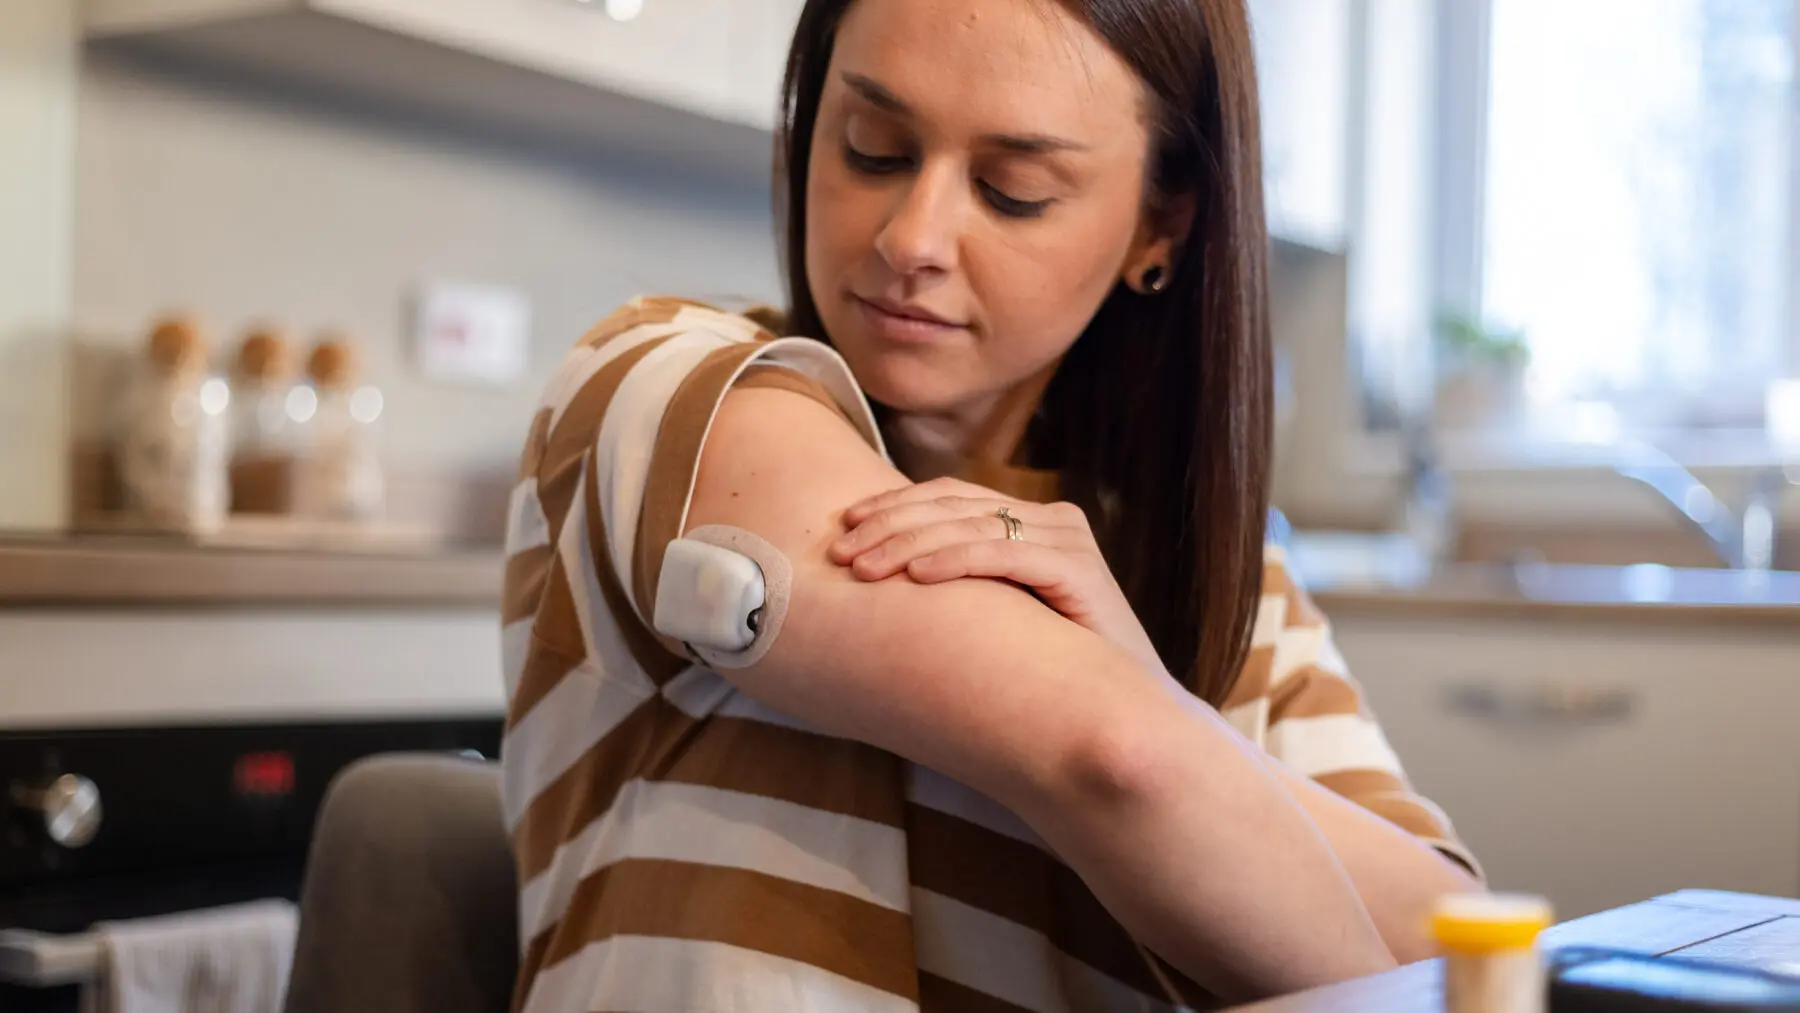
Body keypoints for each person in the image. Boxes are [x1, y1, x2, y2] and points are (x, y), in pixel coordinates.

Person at [499, 0, 1483, 1009]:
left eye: (1013, 191)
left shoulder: (1229, 577)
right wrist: (1160, 724)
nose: (912, 237)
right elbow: (1116, 751)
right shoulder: (667, 389)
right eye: (871, 147)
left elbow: (1457, 935)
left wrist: (1155, 697)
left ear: (1161, 224)